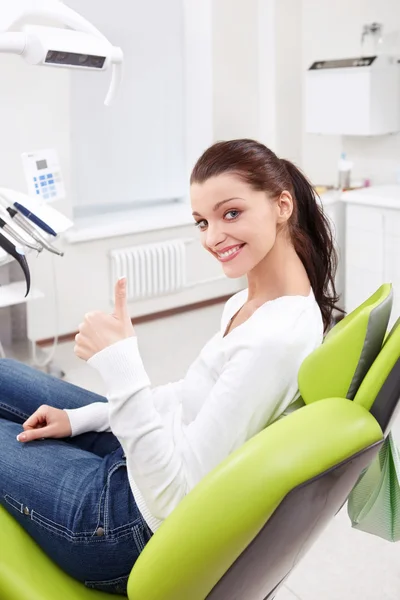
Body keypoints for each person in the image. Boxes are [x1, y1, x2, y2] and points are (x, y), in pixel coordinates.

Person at [0, 139, 339, 595]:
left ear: (282, 205)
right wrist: (79, 419)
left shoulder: (274, 339)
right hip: (146, 455)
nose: (212, 237)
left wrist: (122, 364)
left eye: (231, 213)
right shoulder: (252, 301)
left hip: (123, 524)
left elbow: (175, 499)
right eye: (202, 221)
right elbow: (186, 398)